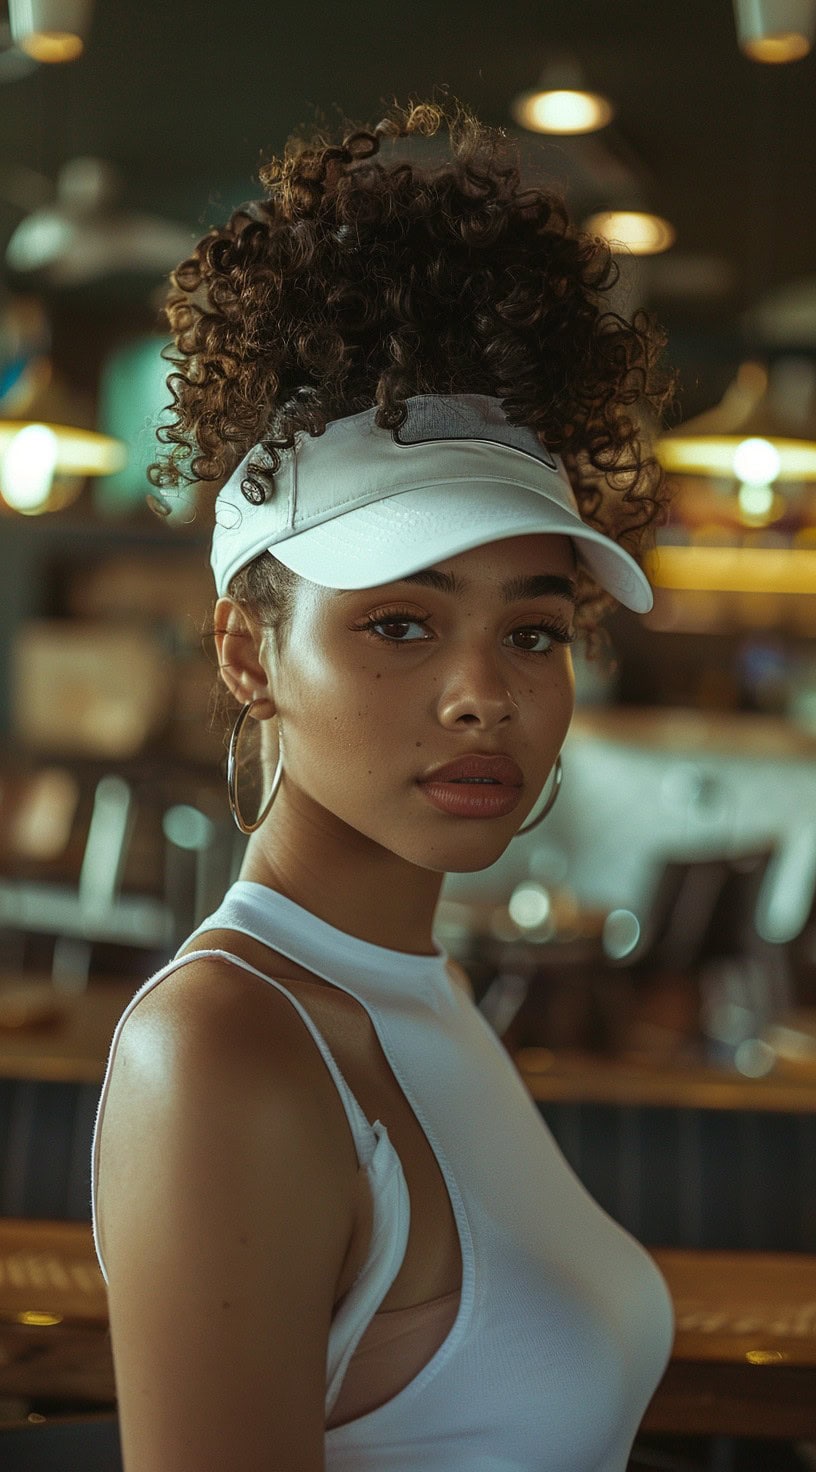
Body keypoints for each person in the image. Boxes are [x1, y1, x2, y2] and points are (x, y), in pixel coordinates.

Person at [90, 96, 676, 1471]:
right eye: (401, 623)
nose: (488, 693)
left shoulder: (417, 987)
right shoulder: (223, 1056)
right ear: (250, 651)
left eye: (534, 630)